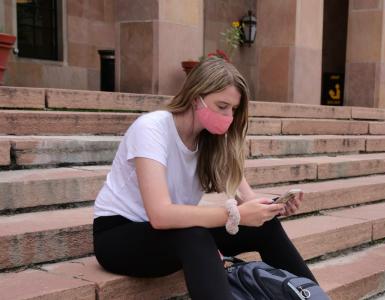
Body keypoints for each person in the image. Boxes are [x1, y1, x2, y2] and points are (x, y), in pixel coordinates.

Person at [93, 57, 316, 299]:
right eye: (222, 106)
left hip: (175, 234)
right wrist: (238, 215)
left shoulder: (212, 141)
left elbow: (248, 199)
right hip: (119, 236)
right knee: (194, 235)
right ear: (195, 96)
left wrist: (272, 208)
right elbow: (160, 215)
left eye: (233, 109)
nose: (229, 116)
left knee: (265, 228)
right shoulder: (151, 128)